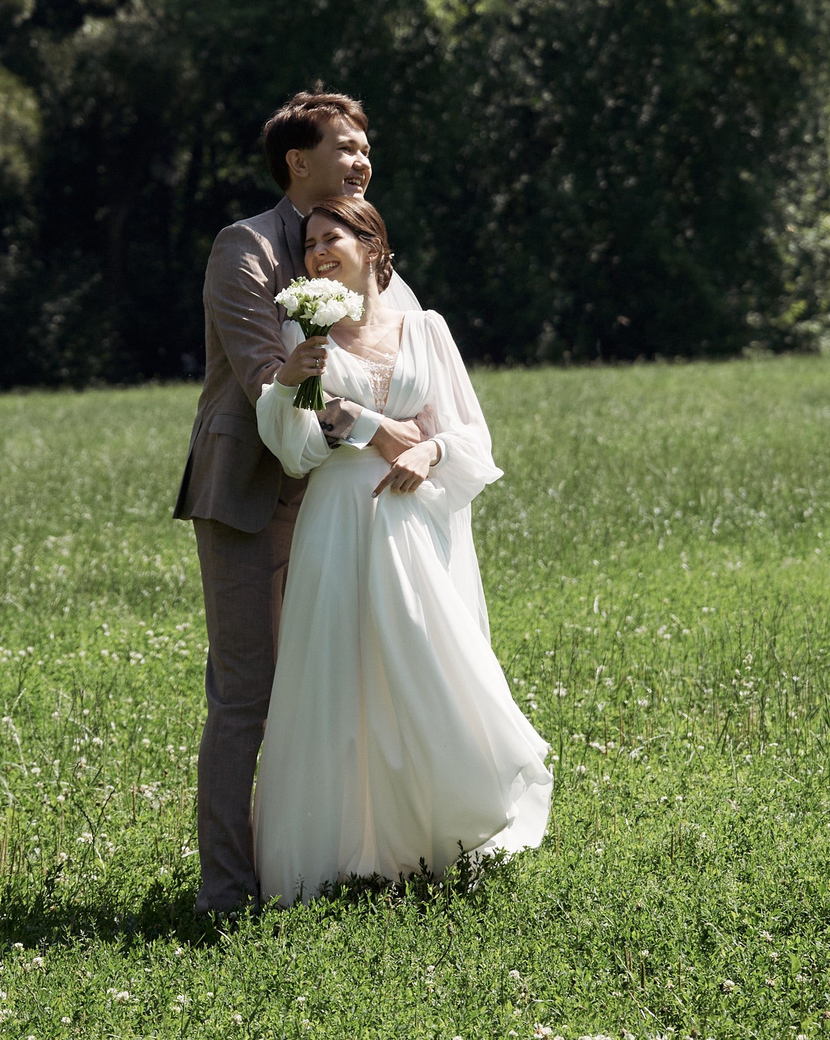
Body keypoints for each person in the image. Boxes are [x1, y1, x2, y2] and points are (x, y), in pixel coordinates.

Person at [252, 194, 552, 901]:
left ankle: (443, 836)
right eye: (309, 245)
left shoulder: (427, 329)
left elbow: (471, 437)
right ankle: (337, 861)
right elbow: (297, 450)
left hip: (409, 519)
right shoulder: (301, 329)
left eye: (333, 238)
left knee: (427, 665)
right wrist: (287, 388)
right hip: (337, 517)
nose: (318, 252)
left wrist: (430, 450)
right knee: (341, 672)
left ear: (372, 245)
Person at [177, 89, 425, 915]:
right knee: (247, 695)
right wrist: (374, 427)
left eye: (365, 148)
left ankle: (324, 865)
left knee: (334, 685)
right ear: (299, 161)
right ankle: (224, 895)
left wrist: (417, 438)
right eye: (348, 147)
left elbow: (400, 354)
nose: (362, 160)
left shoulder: (361, 246)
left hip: (335, 509)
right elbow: (267, 385)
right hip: (250, 493)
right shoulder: (242, 250)